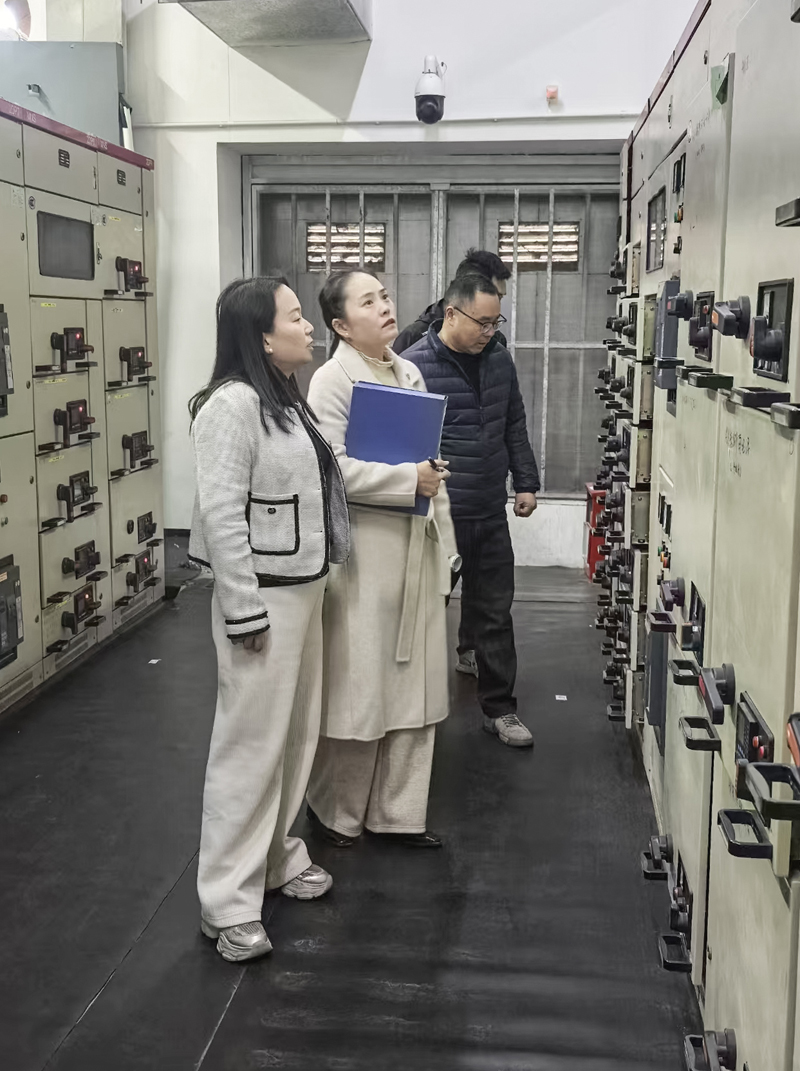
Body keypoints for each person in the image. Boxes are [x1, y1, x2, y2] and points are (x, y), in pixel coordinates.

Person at [187, 277, 350, 962]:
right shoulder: (230, 405)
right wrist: (243, 608)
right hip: (263, 600)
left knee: (293, 739)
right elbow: (222, 514)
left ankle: (278, 858)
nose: (309, 327)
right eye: (295, 317)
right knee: (249, 749)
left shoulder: (283, 396)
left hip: (303, 590)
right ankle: (226, 903)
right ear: (261, 334)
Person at [304, 268, 459, 850]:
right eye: (368, 302)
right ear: (342, 325)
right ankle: (337, 812)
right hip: (365, 556)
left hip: (416, 547)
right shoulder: (331, 381)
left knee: (416, 692)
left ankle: (399, 815)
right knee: (361, 689)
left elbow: (426, 463)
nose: (385, 307)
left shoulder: (409, 371)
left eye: (385, 296)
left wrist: (447, 543)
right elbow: (332, 469)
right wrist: (407, 479)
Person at [401, 272, 540, 749]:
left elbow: (514, 423)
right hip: (438, 519)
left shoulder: (499, 360)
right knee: (424, 613)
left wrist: (525, 482)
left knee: (494, 614)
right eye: (482, 322)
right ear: (451, 314)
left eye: (496, 321)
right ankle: (410, 710)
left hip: (488, 510)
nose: (489, 331)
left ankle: (500, 710)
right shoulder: (412, 367)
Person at [392, 247, 510, 354]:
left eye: (500, 298)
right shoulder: (413, 339)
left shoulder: (496, 343)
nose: (496, 304)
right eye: (494, 295)